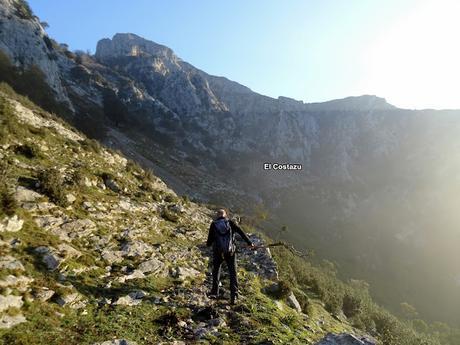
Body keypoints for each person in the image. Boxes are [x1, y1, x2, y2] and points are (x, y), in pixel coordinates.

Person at [206, 208, 254, 305]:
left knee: (216, 271)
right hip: (230, 252)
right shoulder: (230, 223)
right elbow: (241, 232)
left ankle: (214, 292)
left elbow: (209, 242)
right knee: (233, 273)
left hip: (218, 252)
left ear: (217, 215)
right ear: (225, 215)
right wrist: (249, 243)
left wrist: (209, 244)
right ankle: (234, 297)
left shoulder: (214, 224)